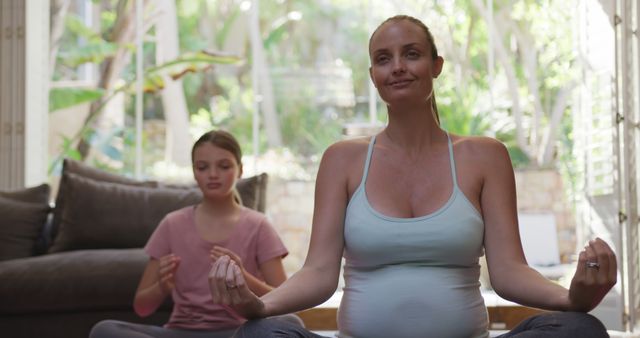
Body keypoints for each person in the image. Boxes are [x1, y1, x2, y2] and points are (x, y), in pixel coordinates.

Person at [209, 15, 618, 338]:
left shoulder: (484, 156)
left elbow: (509, 271)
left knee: (579, 329)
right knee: (259, 332)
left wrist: (572, 298)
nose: (398, 67)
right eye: (384, 59)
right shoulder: (342, 159)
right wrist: (257, 306)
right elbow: (318, 274)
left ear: (436, 65)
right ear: (373, 75)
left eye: (412, 54)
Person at [90, 130, 301, 338]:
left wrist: (244, 279)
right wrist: (161, 287)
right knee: (104, 330)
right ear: (194, 171)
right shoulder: (172, 224)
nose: (213, 174)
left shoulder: (258, 225)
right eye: (202, 167)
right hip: (179, 332)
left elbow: (285, 302)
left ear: (240, 170)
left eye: (224, 166)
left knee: (291, 323)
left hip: (239, 333)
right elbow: (142, 307)